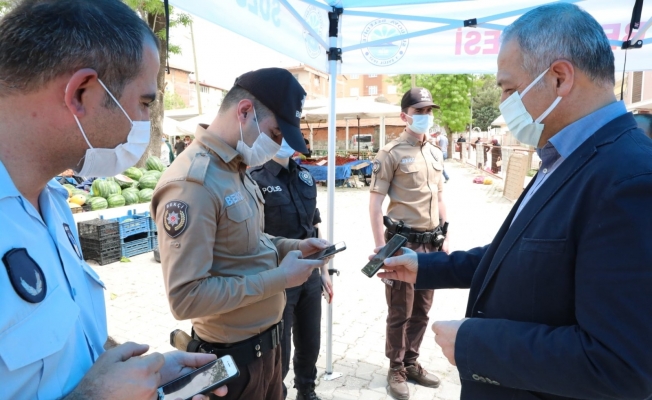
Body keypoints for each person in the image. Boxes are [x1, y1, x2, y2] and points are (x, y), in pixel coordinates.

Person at [378, 4, 652, 399]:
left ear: (559, 78)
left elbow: (620, 365)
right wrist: (426, 266)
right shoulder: (565, 155)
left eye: (508, 88)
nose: (505, 102)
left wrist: (476, 344)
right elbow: (521, 257)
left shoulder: (629, 180)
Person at [0, 1, 227, 399]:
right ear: (81, 93)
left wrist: (144, 376)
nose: (142, 123)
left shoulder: (53, 203)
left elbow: (62, 348)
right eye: (144, 102)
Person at [151, 67, 332, 400]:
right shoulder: (193, 183)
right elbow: (186, 298)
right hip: (233, 366)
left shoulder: (236, 168)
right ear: (245, 112)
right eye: (276, 134)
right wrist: (280, 278)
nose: (278, 145)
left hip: (268, 352)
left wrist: (292, 246)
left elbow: (249, 243)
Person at [369, 87, 448, 400]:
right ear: (404, 116)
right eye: (418, 112)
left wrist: (446, 237)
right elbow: (375, 205)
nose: (425, 117)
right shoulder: (390, 153)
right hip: (402, 245)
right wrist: (380, 251)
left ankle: (412, 362)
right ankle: (396, 367)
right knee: (400, 311)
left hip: (431, 245)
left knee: (423, 310)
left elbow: (441, 196)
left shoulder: (435, 152)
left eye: (428, 111)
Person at [250, 142, 331, 400]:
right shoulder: (256, 179)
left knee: (310, 342)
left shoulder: (305, 176)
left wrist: (326, 271)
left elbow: (314, 227)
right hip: (279, 276)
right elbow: (253, 237)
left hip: (311, 274)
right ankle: (278, 393)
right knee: (279, 350)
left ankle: (306, 391)